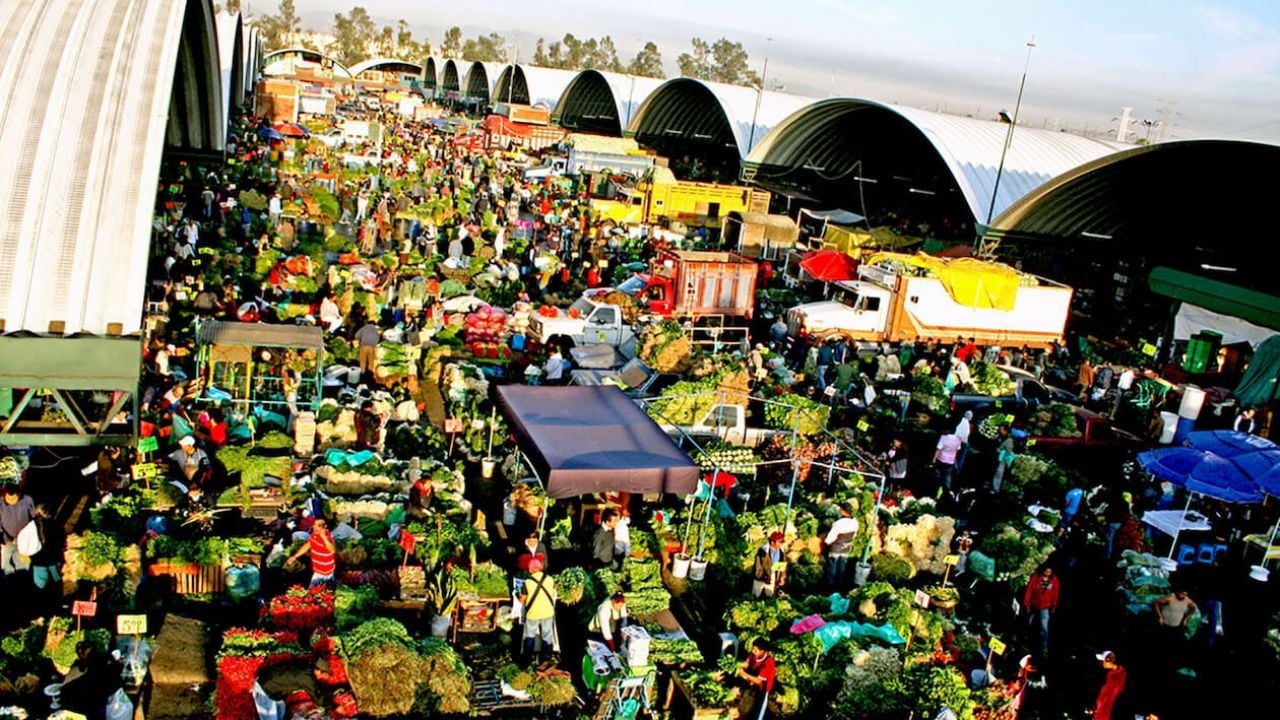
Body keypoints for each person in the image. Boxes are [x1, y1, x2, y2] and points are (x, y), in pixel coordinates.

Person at [59, 640, 121, 720]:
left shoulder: (88, 675)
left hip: (90, 704)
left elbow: (66, 692)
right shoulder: (103, 666)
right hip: (94, 704)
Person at [520, 557, 557, 660]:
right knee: (547, 635)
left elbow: (522, 600)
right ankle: (547, 657)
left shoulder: (527, 582)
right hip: (548, 612)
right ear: (540, 567)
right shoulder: (550, 579)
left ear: (530, 569)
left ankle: (528, 657)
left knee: (530, 635)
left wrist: (516, 594)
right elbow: (554, 591)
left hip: (533, 614)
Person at [287, 516, 337, 588]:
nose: (315, 527)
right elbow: (308, 545)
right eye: (314, 525)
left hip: (329, 574)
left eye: (319, 526)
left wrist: (323, 537)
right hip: (318, 572)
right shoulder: (314, 535)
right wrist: (295, 556)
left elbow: (332, 550)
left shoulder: (329, 536)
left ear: (325, 527)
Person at [1022, 565, 1059, 656]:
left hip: (1045, 607)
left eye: (1049, 572)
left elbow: (1056, 593)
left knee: (1044, 627)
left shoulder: (1054, 580)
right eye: (1046, 571)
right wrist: (1027, 603)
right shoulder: (1036, 577)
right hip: (1034, 605)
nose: (1047, 573)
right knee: (1029, 623)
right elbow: (1030, 590)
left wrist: (1054, 605)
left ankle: (1045, 647)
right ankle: (1026, 642)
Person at [30, 503, 64, 601]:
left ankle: (41, 604)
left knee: (40, 585)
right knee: (57, 581)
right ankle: (59, 602)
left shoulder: (32, 526)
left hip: (38, 561)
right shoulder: (56, 525)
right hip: (53, 560)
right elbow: (61, 542)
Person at [736, 638, 777, 720]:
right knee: (744, 708)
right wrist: (738, 666)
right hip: (751, 686)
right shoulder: (753, 655)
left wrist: (744, 674)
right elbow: (747, 663)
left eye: (755, 650)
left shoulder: (768, 662)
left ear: (763, 651)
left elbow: (758, 681)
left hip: (762, 689)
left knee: (756, 712)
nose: (753, 651)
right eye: (753, 649)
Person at [0, 483, 36, 575]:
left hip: (24, 539)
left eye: (14, 498)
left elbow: (33, 518)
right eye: (9, 498)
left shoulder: (27, 500)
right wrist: (5, 538)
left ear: (19, 494)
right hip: (7, 540)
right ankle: (7, 577)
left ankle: (22, 576)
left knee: (24, 562)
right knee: (5, 562)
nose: (11, 501)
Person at [823, 504, 859, 588]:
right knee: (842, 565)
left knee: (832, 566)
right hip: (846, 548)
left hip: (836, 548)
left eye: (840, 509)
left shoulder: (838, 523)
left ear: (843, 511)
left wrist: (826, 542)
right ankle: (840, 584)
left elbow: (829, 539)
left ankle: (830, 585)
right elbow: (854, 535)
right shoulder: (855, 522)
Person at [1092, 650, 1126, 720]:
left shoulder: (1118, 675)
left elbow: (1111, 698)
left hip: (1105, 715)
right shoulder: (1110, 674)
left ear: (1108, 660)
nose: (1102, 663)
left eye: (1103, 660)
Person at [752, 532, 787, 598]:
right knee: (756, 596)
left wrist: (782, 577)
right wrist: (762, 576)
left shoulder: (781, 552)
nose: (781, 544)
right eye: (779, 542)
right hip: (761, 577)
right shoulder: (763, 551)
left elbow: (782, 565)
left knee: (769, 597)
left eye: (782, 542)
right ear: (772, 542)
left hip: (772, 577)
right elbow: (758, 565)